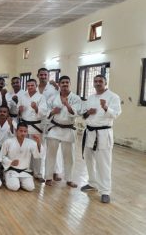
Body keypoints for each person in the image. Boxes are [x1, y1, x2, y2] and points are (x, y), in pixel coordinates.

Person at [81, 75, 121, 204]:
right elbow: (84, 115)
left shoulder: (113, 97)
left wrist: (105, 108)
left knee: (103, 163)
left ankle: (105, 191)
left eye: (100, 81)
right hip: (90, 132)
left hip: (103, 133)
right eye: (96, 81)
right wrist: (88, 113)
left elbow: (115, 114)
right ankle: (92, 183)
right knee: (88, 159)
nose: (98, 83)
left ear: (105, 83)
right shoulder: (91, 97)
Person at [45, 76, 82, 187]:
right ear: (59, 84)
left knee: (69, 156)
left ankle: (69, 179)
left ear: (70, 84)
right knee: (51, 154)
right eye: (63, 83)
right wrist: (52, 111)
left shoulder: (75, 98)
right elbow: (46, 112)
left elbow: (77, 112)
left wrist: (67, 105)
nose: (65, 84)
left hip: (68, 129)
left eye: (67, 82)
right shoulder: (52, 98)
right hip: (55, 128)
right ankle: (48, 177)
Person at [17, 79, 47, 181]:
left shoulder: (41, 97)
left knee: (37, 149)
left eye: (32, 85)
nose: (30, 87)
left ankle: (38, 173)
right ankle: (26, 169)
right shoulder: (23, 97)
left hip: (36, 127)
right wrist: (19, 111)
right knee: (25, 149)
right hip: (24, 127)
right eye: (28, 85)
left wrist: (36, 108)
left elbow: (43, 113)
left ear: (36, 85)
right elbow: (19, 112)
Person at [1, 123, 44, 191]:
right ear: (16, 131)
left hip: (25, 171)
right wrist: (10, 162)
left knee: (30, 188)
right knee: (14, 187)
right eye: (21, 131)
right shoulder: (8, 142)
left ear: (27, 132)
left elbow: (38, 155)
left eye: (25, 131)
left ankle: (18, 181)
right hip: (12, 170)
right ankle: (7, 178)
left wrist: (38, 142)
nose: (23, 133)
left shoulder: (31, 143)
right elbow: (1, 156)